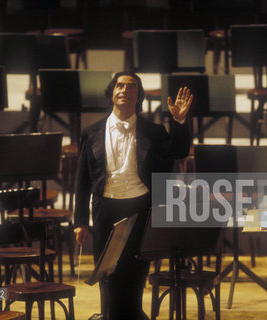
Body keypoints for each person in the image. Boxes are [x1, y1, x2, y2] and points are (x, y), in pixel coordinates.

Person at [74, 72, 192, 320]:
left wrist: (179, 121)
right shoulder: (92, 131)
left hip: (140, 207)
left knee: (135, 274)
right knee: (107, 275)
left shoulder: (154, 131)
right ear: (111, 92)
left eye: (131, 87)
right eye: (119, 85)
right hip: (105, 208)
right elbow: (82, 179)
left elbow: (180, 151)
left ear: (138, 96)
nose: (124, 90)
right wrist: (80, 220)